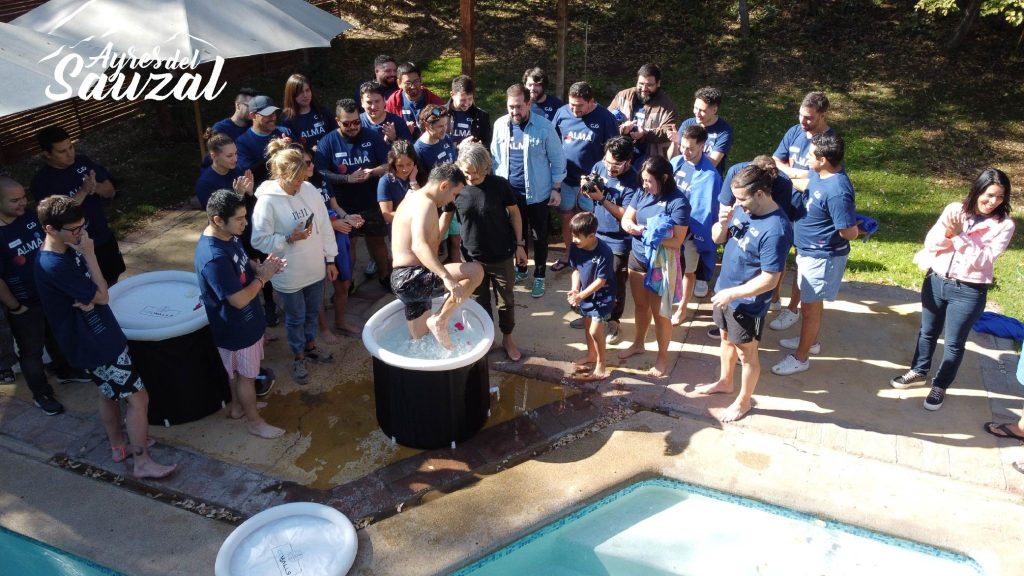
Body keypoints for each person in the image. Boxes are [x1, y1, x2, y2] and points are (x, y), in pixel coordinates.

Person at [34, 195, 176, 478]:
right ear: (50, 229)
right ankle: (142, 461)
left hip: (90, 338)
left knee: (108, 392)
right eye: (74, 230)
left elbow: (92, 294)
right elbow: (102, 294)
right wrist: (89, 254)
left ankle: (118, 445)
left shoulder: (63, 248)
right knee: (139, 399)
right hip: (99, 343)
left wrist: (89, 294)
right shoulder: (55, 263)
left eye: (83, 227)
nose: (81, 234)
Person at [891, 168, 1014, 410]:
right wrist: (950, 234)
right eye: (989, 195)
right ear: (978, 190)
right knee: (927, 331)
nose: (993, 202)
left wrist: (957, 237)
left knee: (954, 343)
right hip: (936, 280)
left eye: (1000, 197)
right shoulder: (954, 210)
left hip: (968, 290)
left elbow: (982, 260)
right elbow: (931, 242)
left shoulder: (1003, 226)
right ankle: (918, 370)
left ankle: (940, 385)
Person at [693, 166, 793, 422]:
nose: (737, 204)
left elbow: (770, 279)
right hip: (725, 292)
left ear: (760, 194)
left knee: (746, 353)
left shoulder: (776, 229)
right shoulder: (743, 210)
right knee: (726, 339)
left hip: (746, 302)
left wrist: (733, 294)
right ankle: (725, 382)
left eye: (742, 199)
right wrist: (722, 224)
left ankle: (744, 402)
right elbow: (717, 240)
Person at [195, 190, 287, 438]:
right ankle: (255, 422)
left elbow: (245, 264)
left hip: (246, 322)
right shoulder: (213, 257)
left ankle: (238, 408)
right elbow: (237, 300)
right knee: (246, 377)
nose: (245, 223)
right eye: (239, 219)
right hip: (236, 327)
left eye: (245, 216)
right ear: (217, 220)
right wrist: (263, 278)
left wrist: (263, 267)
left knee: (238, 373)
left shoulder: (229, 235)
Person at [771, 133, 861, 376]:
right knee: (812, 303)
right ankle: (811, 342)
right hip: (809, 252)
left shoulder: (838, 190)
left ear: (823, 160)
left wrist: (859, 227)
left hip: (823, 257)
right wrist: (777, 169)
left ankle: (801, 357)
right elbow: (802, 178)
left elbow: (848, 232)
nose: (805, 158)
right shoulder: (822, 176)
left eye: (810, 155)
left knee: (810, 308)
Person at [251, 141, 339, 384]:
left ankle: (310, 346)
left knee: (312, 313)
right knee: (295, 317)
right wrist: (288, 238)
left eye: (303, 177)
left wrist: (331, 259)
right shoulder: (267, 201)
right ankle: (298, 356)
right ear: (281, 174)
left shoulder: (309, 189)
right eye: (296, 179)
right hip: (288, 273)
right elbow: (258, 240)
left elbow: (323, 225)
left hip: (314, 268)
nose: (300, 184)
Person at [389, 163, 483, 350]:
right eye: (454, 194)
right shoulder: (426, 204)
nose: (453, 199)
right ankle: (440, 320)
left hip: (404, 280)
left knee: (420, 342)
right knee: (476, 272)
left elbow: (433, 240)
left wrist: (448, 214)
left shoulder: (414, 200)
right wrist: (446, 278)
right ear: (444, 186)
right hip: (412, 277)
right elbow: (419, 245)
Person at [490, 83, 566, 298]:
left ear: (529, 104)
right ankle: (522, 268)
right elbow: (496, 158)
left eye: (519, 107)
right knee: (515, 234)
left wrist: (556, 188)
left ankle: (540, 275)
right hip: (510, 194)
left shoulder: (544, 127)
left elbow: (558, 161)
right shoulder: (500, 125)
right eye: (511, 107)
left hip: (538, 194)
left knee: (538, 236)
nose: (515, 112)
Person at [0, 177, 68, 415]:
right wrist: (15, 306)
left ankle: (65, 371)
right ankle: (42, 394)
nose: (22, 203)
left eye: (23, 197)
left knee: (57, 335)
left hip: (49, 294)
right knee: (32, 352)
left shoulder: (29, 217)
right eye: (15, 200)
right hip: (25, 304)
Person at [769, 91, 835, 331]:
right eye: (801, 115)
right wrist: (797, 173)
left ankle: (792, 309)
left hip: (809, 211)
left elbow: (821, 176)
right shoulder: (794, 131)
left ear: (823, 115)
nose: (803, 121)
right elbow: (775, 161)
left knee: (803, 259)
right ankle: (774, 299)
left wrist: (789, 172)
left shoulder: (829, 142)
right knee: (778, 250)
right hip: (783, 202)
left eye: (809, 117)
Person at [453, 143, 526, 361]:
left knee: (506, 301)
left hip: (502, 254)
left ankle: (507, 338)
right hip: (472, 258)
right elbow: (445, 220)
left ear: (486, 167)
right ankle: (487, 337)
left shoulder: (499, 185)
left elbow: (514, 213)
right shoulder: (456, 188)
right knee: (478, 301)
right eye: (466, 172)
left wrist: (520, 245)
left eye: (475, 173)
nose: (470, 177)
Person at [618, 156, 689, 378]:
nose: (645, 185)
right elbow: (626, 218)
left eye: (649, 181)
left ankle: (663, 358)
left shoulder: (678, 202)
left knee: (661, 314)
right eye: (643, 180)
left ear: (664, 178)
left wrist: (647, 234)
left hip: (662, 263)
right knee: (640, 306)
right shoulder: (642, 193)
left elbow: (677, 241)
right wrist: (630, 225)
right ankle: (638, 343)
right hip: (638, 258)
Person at [31, 125, 125, 286]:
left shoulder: (83, 162)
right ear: (47, 154)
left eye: (71, 147)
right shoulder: (42, 183)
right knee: (91, 287)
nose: (70, 154)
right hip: (74, 247)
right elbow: (57, 217)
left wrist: (95, 188)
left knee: (113, 277)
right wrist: (83, 191)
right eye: (62, 151)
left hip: (102, 236)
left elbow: (110, 191)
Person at [315, 99, 390, 286]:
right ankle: (348, 284)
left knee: (377, 242)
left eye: (356, 122)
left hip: (371, 200)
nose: (353, 127)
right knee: (349, 245)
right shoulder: (328, 142)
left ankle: (385, 277)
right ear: (337, 121)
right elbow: (321, 172)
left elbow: (388, 164)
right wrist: (347, 178)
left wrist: (371, 172)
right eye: (347, 123)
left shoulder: (372, 136)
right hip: (343, 205)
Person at [550, 81, 619, 272]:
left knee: (590, 221)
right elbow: (552, 140)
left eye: (579, 105)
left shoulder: (605, 118)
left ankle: (592, 259)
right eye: (571, 104)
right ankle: (569, 255)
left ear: (591, 102)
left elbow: (613, 150)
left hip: (591, 182)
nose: (574, 109)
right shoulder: (562, 113)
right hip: (565, 179)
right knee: (567, 217)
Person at [578, 136, 638, 344]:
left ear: (628, 161)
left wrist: (602, 199)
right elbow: (590, 195)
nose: (610, 169)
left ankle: (613, 321)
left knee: (613, 281)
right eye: (608, 162)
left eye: (616, 165)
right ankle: (592, 314)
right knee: (589, 276)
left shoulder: (634, 181)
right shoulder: (599, 166)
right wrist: (586, 188)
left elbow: (626, 215)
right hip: (596, 233)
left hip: (618, 240)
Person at [668, 124, 722, 325]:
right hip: (670, 228)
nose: (685, 152)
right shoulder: (676, 162)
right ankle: (669, 299)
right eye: (682, 146)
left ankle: (682, 308)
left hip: (691, 233)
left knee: (687, 270)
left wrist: (699, 236)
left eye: (690, 148)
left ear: (702, 146)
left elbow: (708, 211)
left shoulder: (710, 175)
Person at [567, 212, 616, 381]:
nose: (574, 240)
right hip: (584, 294)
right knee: (588, 324)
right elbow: (576, 270)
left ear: (591, 236)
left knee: (595, 330)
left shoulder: (605, 252)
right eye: (573, 235)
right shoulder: (576, 247)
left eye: (577, 237)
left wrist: (580, 295)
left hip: (603, 296)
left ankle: (601, 362)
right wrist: (575, 290)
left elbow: (601, 281)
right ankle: (591, 354)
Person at [608, 63, 678, 170]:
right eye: (640, 84)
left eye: (649, 85)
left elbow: (668, 131)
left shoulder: (668, 106)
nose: (644, 89)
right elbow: (608, 120)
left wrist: (645, 133)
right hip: (620, 155)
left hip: (649, 158)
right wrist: (622, 128)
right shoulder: (623, 96)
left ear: (658, 83)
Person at [677, 87, 733, 177]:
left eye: (702, 110)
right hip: (683, 175)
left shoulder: (724, 131)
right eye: (695, 108)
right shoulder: (687, 124)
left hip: (706, 178)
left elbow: (712, 163)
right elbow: (675, 155)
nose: (697, 113)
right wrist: (673, 142)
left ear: (714, 110)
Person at [385, 62, 445, 140]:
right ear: (399, 83)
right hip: (403, 146)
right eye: (408, 83)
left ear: (420, 80)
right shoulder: (393, 101)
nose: (412, 86)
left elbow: (443, 129)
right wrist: (403, 132)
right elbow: (388, 130)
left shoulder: (434, 101)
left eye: (416, 81)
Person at [194, 132, 254, 210]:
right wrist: (238, 196)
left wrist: (250, 192)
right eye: (229, 156)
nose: (235, 159)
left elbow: (251, 208)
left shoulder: (239, 171)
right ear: (214, 156)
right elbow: (218, 215)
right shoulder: (205, 184)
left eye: (236, 153)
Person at [278, 73, 338, 150]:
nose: (305, 95)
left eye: (307, 90)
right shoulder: (286, 119)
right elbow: (290, 148)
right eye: (300, 92)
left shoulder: (323, 111)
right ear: (292, 94)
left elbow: (336, 135)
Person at [235, 95, 292, 175]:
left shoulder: (284, 132)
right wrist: (275, 153)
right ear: (253, 116)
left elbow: (301, 158)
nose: (272, 117)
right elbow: (248, 173)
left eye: (273, 113)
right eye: (267, 114)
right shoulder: (243, 142)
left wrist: (291, 149)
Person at [378, 140, 420, 225]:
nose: (405, 169)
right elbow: (388, 215)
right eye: (400, 165)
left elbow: (424, 202)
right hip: (399, 230)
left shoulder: (419, 174)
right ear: (393, 164)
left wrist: (413, 181)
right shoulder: (386, 181)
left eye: (409, 164)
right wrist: (414, 216)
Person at [447, 75, 492, 147]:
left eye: (470, 99)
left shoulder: (482, 116)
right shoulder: (441, 114)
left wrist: (478, 146)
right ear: (452, 95)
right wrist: (459, 146)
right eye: (462, 100)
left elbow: (487, 144)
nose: (466, 104)